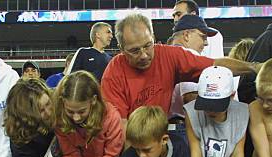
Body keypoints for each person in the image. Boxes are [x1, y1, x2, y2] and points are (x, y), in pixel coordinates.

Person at [101, 12, 260, 129]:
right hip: (130, 138)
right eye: (134, 50)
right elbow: (120, 126)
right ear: (121, 48)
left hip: (159, 137)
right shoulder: (113, 73)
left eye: (148, 45)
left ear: (154, 37)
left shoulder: (169, 55)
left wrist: (254, 67)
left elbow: (215, 65)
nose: (143, 55)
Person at [184, 66, 248, 157]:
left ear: (232, 96)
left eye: (216, 106)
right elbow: (196, 152)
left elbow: (237, 154)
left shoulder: (243, 112)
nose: (210, 111)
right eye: (206, 105)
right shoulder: (191, 112)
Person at [54, 71, 124, 157]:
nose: (76, 117)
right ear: (62, 101)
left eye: (81, 111)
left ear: (93, 100)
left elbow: (113, 156)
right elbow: (71, 154)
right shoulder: (60, 119)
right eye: (70, 111)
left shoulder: (111, 116)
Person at [5, 79, 75, 157]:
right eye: (41, 111)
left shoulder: (64, 104)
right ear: (28, 116)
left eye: (48, 103)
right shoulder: (20, 128)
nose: (48, 112)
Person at [168, 14, 218, 121]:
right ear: (186, 35)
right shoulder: (187, 54)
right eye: (202, 37)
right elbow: (190, 98)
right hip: (183, 126)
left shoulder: (167, 55)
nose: (206, 43)